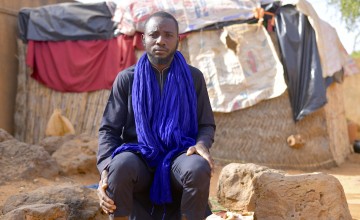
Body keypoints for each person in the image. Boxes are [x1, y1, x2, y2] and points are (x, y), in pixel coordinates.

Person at [97, 11, 216, 220]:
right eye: (154, 34)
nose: (161, 40)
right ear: (144, 39)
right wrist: (105, 170)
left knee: (198, 167)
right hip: (139, 157)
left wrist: (201, 144)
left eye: (168, 35)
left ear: (177, 40)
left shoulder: (194, 78)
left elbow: (205, 124)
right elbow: (109, 130)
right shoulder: (127, 79)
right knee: (120, 164)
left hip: (179, 156)